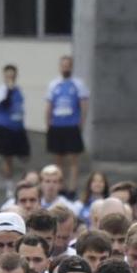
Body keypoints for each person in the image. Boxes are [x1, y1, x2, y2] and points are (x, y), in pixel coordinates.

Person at [44, 54, 89, 186]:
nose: (66, 68)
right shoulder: (53, 84)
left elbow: (84, 105)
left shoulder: (78, 84)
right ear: (60, 67)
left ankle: (72, 188)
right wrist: (48, 124)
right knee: (57, 161)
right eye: (63, 65)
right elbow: (49, 106)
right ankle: (60, 187)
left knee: (73, 160)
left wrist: (81, 122)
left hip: (71, 126)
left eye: (68, 65)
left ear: (72, 67)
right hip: (56, 126)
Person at [0, 64, 28, 183]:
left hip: (18, 126)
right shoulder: (0, 90)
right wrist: (9, 91)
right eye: (8, 75)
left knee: (25, 155)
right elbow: (2, 104)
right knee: (7, 157)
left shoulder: (18, 90)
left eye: (13, 75)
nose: (11, 77)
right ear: (4, 75)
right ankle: (9, 184)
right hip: (5, 127)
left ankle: (21, 179)